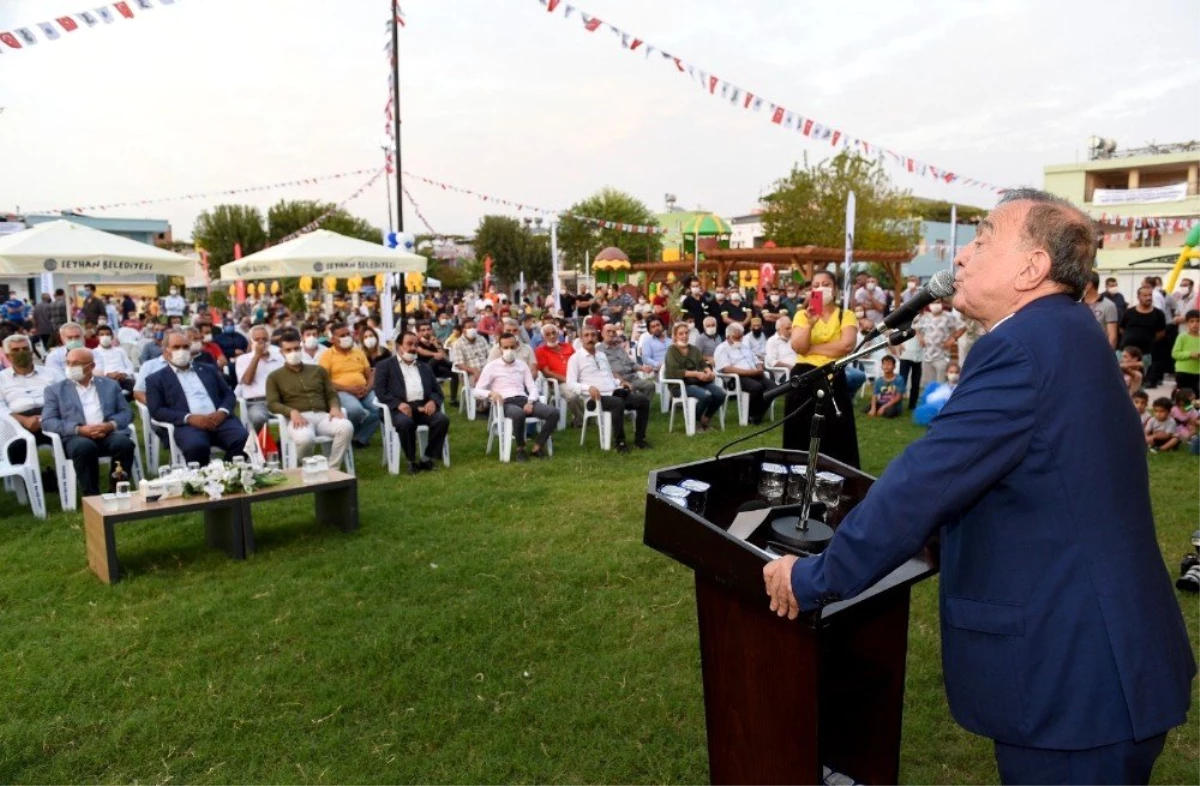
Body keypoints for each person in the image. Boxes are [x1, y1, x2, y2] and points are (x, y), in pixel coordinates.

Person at [763, 189, 1194, 786]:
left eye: (985, 239)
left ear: (1031, 268)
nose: (962, 257)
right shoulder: (1068, 331)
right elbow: (1038, 477)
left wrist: (813, 578)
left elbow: (923, 482)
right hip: (1107, 659)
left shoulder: (1020, 348)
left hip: (1076, 681)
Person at [784, 270, 860, 468]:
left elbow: (846, 346)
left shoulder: (846, 314)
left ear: (834, 289)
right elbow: (798, 346)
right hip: (804, 375)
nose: (820, 288)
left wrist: (812, 348)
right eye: (816, 285)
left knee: (837, 428)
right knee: (799, 428)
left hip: (833, 374)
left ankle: (836, 471)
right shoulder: (802, 315)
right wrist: (809, 325)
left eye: (826, 284)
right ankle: (797, 470)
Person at [145, 330, 249, 466]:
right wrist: (189, 418)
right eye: (176, 347)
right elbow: (156, 410)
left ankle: (228, 473)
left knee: (243, 439)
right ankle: (203, 480)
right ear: (165, 351)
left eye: (185, 347)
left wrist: (222, 412)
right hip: (188, 425)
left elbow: (228, 393)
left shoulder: (208, 370)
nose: (181, 351)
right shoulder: (156, 379)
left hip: (220, 420)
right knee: (196, 446)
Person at [41, 348, 136, 497]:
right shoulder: (55, 390)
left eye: (76, 363)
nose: (70, 367)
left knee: (124, 444)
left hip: (107, 432)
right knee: (84, 447)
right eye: (68, 363)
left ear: (91, 366)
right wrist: (79, 429)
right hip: (76, 436)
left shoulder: (110, 385)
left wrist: (110, 425)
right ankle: (92, 495)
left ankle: (117, 490)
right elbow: (48, 421)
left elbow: (127, 412)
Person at [265, 330, 354, 470]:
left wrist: (335, 406)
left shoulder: (317, 370)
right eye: (288, 350)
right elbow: (272, 403)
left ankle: (332, 469)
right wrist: (291, 411)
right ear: (282, 352)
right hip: (299, 418)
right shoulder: (274, 377)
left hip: (323, 416)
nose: (293, 352)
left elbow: (331, 393)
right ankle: (308, 467)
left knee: (346, 427)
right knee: (305, 439)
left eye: (295, 348)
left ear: (301, 348)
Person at [473, 332, 557, 462]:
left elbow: (532, 387)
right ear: (499, 348)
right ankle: (520, 448)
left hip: (523, 399)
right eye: (505, 347)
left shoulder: (521, 365)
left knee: (553, 413)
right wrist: (491, 393)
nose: (509, 350)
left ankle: (537, 446)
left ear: (517, 346)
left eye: (512, 347)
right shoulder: (491, 367)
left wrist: (530, 401)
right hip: (504, 402)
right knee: (518, 414)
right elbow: (477, 391)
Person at [564, 326, 650, 452]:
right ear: (581, 339)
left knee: (642, 400)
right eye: (586, 335)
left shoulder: (601, 355)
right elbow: (570, 383)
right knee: (617, 403)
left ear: (597, 337)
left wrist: (621, 383)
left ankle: (640, 440)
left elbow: (608, 376)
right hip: (594, 399)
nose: (590, 338)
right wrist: (587, 388)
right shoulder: (576, 358)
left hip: (613, 392)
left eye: (593, 335)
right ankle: (619, 442)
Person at [374, 332, 450, 473]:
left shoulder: (424, 367)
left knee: (442, 419)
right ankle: (411, 461)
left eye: (416, 344)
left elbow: (436, 390)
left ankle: (427, 458)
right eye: (409, 344)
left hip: (422, 406)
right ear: (398, 346)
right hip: (398, 408)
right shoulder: (385, 366)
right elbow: (380, 392)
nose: (413, 348)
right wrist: (398, 404)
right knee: (405, 423)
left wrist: (433, 401)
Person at [0, 334, 62, 463]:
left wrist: (47, 417)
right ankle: (26, 483)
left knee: (71, 442)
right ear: (7, 356)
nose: (21, 353)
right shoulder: (2, 379)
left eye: (24, 349)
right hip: (18, 423)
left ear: (31, 351)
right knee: (15, 449)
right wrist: (24, 420)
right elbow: (1, 408)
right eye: (15, 350)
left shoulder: (52, 374)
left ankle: (63, 480)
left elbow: (66, 398)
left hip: (53, 418)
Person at [320, 322, 380, 449]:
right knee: (355, 411)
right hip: (341, 391)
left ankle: (358, 437)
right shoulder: (326, 356)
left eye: (348, 334)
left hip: (364, 390)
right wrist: (349, 389)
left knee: (381, 409)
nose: (347, 337)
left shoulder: (358, 352)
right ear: (333, 339)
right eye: (342, 335)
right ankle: (351, 435)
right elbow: (324, 381)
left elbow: (370, 374)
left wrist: (367, 388)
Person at [664, 322, 725, 431]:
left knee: (721, 393)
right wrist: (696, 374)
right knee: (705, 395)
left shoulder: (693, 349)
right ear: (675, 335)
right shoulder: (671, 351)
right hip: (680, 386)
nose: (684, 336)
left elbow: (702, 363)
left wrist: (708, 371)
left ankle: (705, 418)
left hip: (698, 382)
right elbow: (674, 371)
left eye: (686, 333)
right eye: (681, 334)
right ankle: (695, 422)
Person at [713, 322, 768, 425]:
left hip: (754, 374)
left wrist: (759, 368)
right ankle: (750, 415)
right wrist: (751, 372)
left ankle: (757, 414)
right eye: (736, 337)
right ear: (728, 336)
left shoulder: (745, 346)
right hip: (736, 378)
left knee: (773, 388)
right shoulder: (721, 349)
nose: (739, 339)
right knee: (757, 387)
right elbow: (727, 369)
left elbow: (757, 361)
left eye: (741, 336)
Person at [235, 325, 285, 431]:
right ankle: (265, 445)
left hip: (279, 401)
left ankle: (281, 444)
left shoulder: (279, 357)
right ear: (251, 341)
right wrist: (257, 356)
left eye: (265, 339)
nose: (261, 342)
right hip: (256, 403)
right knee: (258, 418)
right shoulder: (242, 359)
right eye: (257, 339)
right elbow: (247, 380)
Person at [1119, 286, 1165, 382]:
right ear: (1138, 297)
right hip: (1125, 352)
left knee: (1139, 380)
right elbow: (1121, 329)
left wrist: (1148, 340)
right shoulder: (1129, 312)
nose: (1148, 298)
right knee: (1120, 379)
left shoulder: (1158, 314)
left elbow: (1161, 333)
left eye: (1150, 295)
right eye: (1145, 295)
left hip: (1145, 354)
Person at [600, 323, 657, 398]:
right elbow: (606, 371)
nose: (611, 334)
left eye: (613, 332)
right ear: (602, 333)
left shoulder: (619, 347)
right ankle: (638, 404)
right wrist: (622, 381)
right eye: (608, 331)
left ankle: (642, 406)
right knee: (630, 391)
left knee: (650, 385)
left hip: (632, 378)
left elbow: (631, 363)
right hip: (616, 381)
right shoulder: (599, 351)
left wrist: (642, 368)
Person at [914, 299, 963, 385]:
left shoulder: (949, 316)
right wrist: (920, 338)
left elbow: (962, 327)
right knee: (929, 384)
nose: (935, 305)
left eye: (938, 302)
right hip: (927, 356)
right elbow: (916, 328)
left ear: (942, 303)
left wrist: (952, 339)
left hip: (942, 356)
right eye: (933, 302)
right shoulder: (925, 317)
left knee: (941, 383)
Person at [92, 324, 135, 393]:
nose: (105, 337)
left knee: (138, 387)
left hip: (123, 379)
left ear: (112, 337)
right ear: (97, 337)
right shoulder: (94, 352)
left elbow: (130, 366)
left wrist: (124, 374)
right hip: (105, 380)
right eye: (102, 335)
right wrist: (107, 374)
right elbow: (94, 370)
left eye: (107, 334)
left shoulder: (120, 350)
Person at [1082, 272, 1119, 349]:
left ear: (1089, 284)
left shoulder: (1108, 305)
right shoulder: (1077, 304)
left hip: (1099, 349)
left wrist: (1109, 355)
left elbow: (1112, 335)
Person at [1171, 309, 1200, 395]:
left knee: (1196, 396)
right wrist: (1190, 354)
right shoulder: (1182, 337)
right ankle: (1180, 407)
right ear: (1187, 323)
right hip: (1183, 371)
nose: (1195, 324)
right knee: (1184, 396)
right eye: (1192, 321)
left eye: (1198, 321)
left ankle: (1193, 408)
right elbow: (1175, 353)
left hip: (1197, 372)